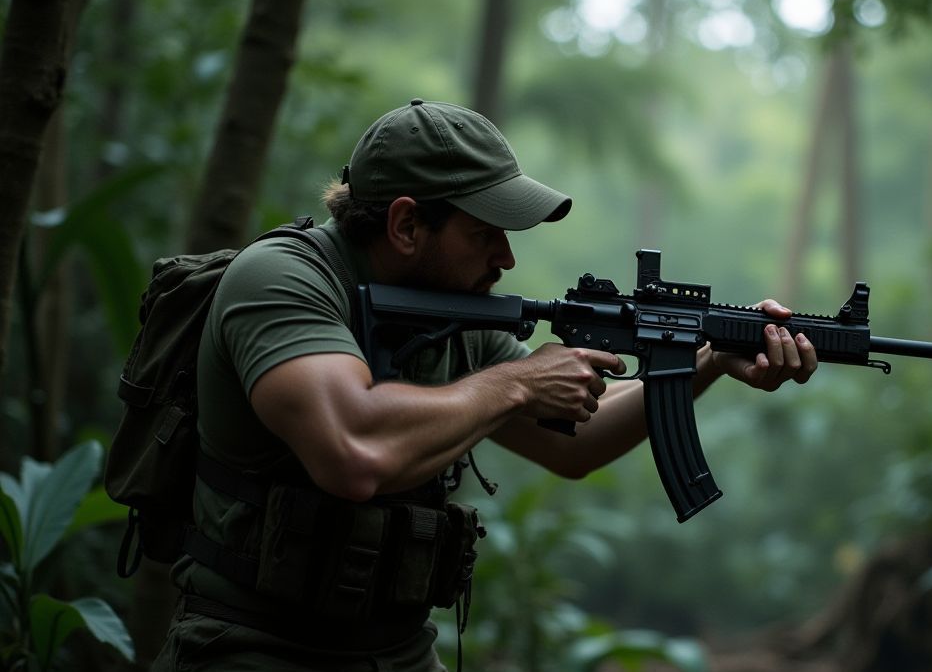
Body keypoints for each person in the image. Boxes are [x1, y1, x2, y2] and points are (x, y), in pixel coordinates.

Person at [151, 98, 818, 671]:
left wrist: (703, 362)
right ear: (407, 224)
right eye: (484, 232)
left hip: (399, 649)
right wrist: (518, 382)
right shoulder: (280, 280)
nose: (506, 257)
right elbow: (352, 448)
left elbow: (572, 441)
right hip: (252, 647)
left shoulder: (448, 307)